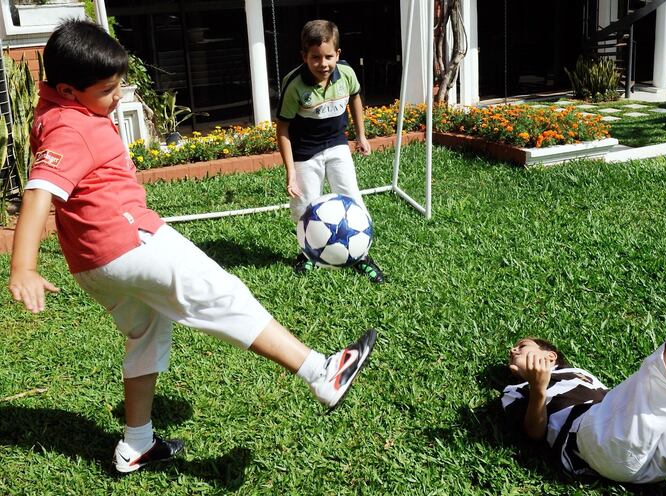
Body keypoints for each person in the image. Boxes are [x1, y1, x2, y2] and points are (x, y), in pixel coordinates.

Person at [7, 19, 376, 474]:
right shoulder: (72, 128)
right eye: (107, 89)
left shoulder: (56, 112)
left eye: (120, 85)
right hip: (126, 240)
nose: (117, 96)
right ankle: (322, 373)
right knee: (222, 293)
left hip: (93, 263)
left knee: (146, 335)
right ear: (67, 88)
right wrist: (22, 266)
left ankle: (136, 444)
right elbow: (40, 189)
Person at [502, 223, 666, 495]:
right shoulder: (514, 391)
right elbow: (533, 433)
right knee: (665, 369)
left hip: (636, 446)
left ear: (551, 355)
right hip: (594, 440)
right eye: (513, 350)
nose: (513, 350)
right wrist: (538, 389)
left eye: (522, 345)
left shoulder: (580, 374)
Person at [276, 19, 385, 283]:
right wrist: (291, 173)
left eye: (328, 56)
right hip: (305, 152)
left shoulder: (346, 74)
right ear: (304, 56)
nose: (322, 64)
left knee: (352, 201)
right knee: (305, 207)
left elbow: (356, 98)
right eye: (315, 58)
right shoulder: (294, 85)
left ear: (338, 54)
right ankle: (307, 254)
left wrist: (361, 135)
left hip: (337, 144)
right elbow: (282, 128)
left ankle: (361, 255)